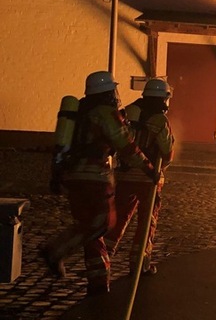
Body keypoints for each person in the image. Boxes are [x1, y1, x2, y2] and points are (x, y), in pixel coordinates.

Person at [40, 71, 157, 296]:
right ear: (106, 92)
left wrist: (56, 175)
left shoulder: (81, 112)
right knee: (103, 222)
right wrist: (149, 168)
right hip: (94, 177)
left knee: (91, 226)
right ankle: (56, 250)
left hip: (72, 176)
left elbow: (63, 146)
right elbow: (127, 146)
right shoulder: (105, 113)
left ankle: (98, 282)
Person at [105, 78, 174, 276]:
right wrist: (160, 170)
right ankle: (139, 264)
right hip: (148, 178)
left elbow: (117, 141)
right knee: (147, 222)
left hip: (124, 176)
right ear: (164, 98)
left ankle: (105, 257)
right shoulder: (160, 120)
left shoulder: (128, 111)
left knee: (118, 218)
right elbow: (167, 152)